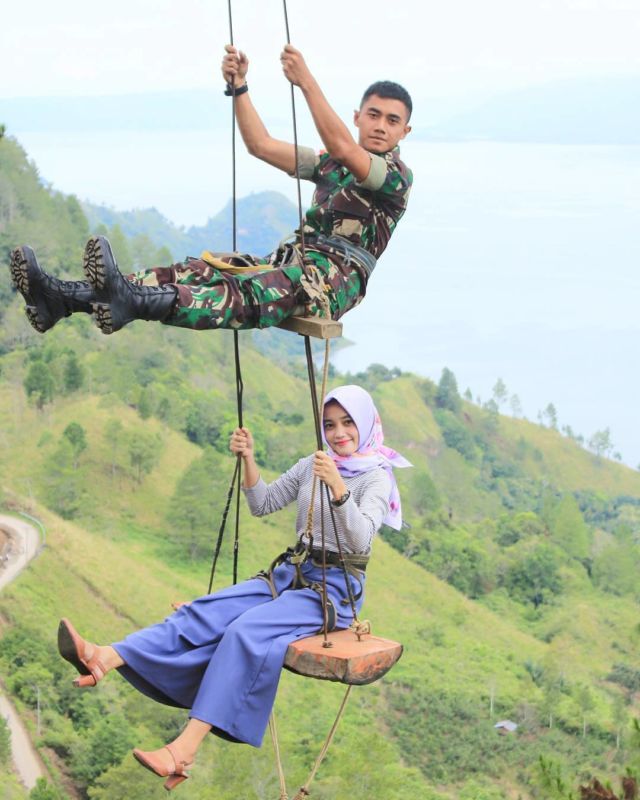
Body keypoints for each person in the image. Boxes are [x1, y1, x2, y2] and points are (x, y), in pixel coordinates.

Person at [57, 385, 410, 790]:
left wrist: (338, 490)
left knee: (246, 632)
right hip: (293, 575)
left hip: (333, 593)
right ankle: (105, 657)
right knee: (204, 610)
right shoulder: (314, 464)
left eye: (347, 423)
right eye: (329, 424)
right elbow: (263, 503)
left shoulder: (375, 478)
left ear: (365, 425)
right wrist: (249, 460)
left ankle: (184, 750)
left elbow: (360, 540)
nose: (338, 433)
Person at [10, 44, 413, 335]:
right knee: (202, 270)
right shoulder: (330, 162)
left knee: (243, 293)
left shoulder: (394, 177)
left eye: (392, 121)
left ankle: (126, 302)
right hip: (293, 261)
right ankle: (61, 298)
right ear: (357, 116)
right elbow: (261, 145)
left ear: (404, 131)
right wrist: (239, 88)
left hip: (332, 280)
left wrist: (306, 82)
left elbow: (345, 146)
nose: (380, 126)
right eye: (373, 115)